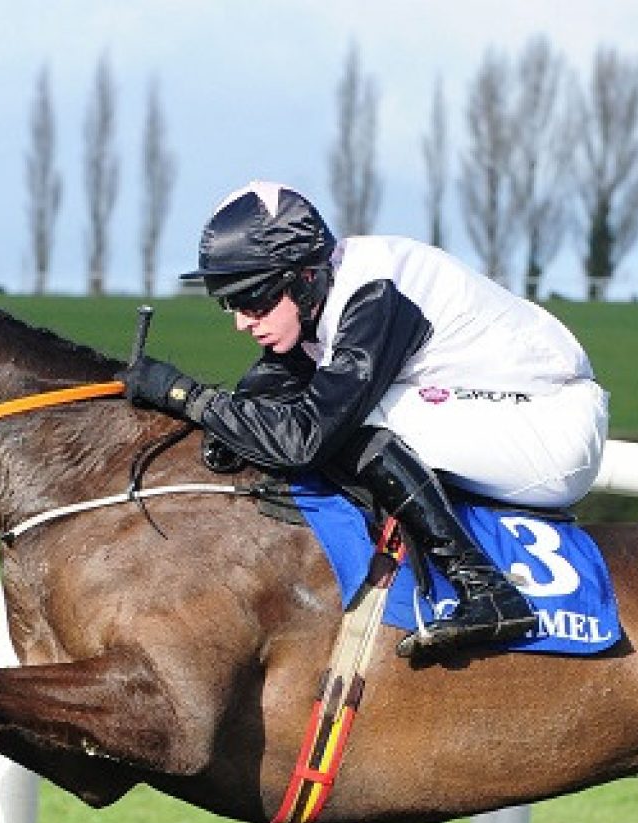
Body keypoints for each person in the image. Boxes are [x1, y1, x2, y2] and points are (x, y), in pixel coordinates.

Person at [119, 181, 609, 660]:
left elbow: (303, 440)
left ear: (305, 278)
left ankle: (486, 590)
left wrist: (186, 395)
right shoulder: (321, 292)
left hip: (551, 424)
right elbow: (257, 399)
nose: (242, 322)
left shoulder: (374, 297)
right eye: (230, 302)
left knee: (351, 425)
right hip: (496, 407)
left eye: (254, 300)